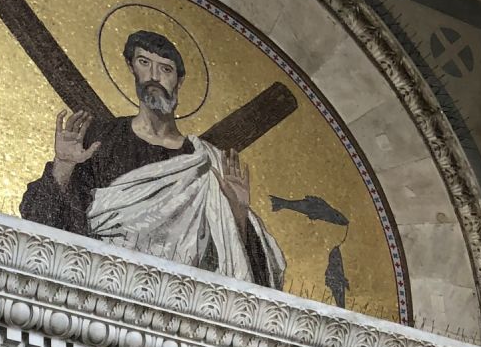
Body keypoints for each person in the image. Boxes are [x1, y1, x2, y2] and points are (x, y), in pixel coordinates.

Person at [21, 29, 285, 287]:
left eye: (166, 69)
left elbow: (251, 278)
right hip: (104, 283)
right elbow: (43, 224)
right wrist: (64, 166)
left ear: (179, 81)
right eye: (144, 63)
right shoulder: (102, 138)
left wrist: (237, 210)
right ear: (131, 68)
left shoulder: (206, 162)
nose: (155, 76)